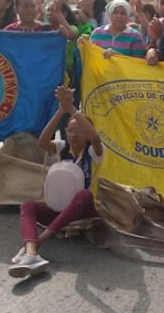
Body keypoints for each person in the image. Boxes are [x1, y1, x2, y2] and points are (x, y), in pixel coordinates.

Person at [8, 86, 103, 278]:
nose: (73, 135)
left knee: (84, 195)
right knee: (28, 205)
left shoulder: (94, 152)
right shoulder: (61, 147)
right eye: (70, 130)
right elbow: (42, 141)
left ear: (85, 133)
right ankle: (32, 254)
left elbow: (95, 137)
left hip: (83, 210)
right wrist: (61, 110)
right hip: (59, 208)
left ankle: (35, 245)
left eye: (78, 131)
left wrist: (73, 110)